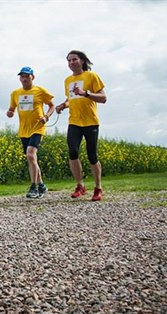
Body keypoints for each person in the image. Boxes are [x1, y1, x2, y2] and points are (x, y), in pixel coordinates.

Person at [55, 50, 107, 201]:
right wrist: (63, 105)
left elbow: (103, 98)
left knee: (92, 156)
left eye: (74, 59)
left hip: (90, 121)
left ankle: (98, 188)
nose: (71, 63)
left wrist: (86, 94)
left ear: (82, 61)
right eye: (69, 60)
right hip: (74, 122)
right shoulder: (68, 81)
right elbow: (71, 98)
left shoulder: (91, 76)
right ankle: (80, 186)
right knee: (72, 151)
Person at [7, 66, 55, 198]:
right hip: (24, 130)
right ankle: (41, 185)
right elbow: (11, 109)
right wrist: (10, 113)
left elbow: (51, 105)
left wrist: (46, 117)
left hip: (37, 128)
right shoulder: (15, 93)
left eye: (27, 76)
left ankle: (33, 187)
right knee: (32, 158)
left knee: (30, 154)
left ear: (32, 77)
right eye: (22, 76)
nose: (24, 79)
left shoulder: (40, 91)